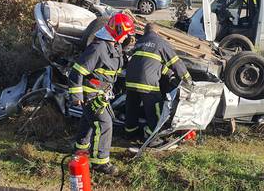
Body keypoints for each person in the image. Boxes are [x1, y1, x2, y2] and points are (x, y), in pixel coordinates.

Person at [68, 13, 135, 174]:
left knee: (87, 122)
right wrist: (76, 96)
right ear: (118, 31)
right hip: (91, 94)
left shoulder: (114, 46)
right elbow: (76, 72)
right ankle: (100, 162)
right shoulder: (98, 48)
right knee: (104, 124)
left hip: (102, 93)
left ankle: (79, 151)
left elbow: (114, 65)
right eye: (126, 34)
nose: (127, 37)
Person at [124, 23, 192, 142]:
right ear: (158, 32)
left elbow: (150, 63)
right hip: (147, 83)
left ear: (145, 32)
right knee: (155, 111)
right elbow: (175, 63)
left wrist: (167, 73)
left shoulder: (139, 42)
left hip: (130, 81)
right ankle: (152, 138)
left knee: (132, 109)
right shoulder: (160, 43)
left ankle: (130, 134)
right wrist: (188, 79)